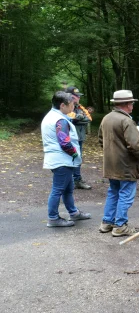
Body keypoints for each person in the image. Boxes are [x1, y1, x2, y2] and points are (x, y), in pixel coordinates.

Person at [41, 92, 92, 227]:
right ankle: (53, 218)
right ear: (62, 105)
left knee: (68, 188)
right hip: (62, 160)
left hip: (59, 159)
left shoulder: (52, 116)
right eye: (71, 105)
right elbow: (64, 142)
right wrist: (76, 155)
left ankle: (74, 213)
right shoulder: (60, 120)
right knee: (58, 189)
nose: (73, 108)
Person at [98, 90, 139, 237]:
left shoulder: (106, 118)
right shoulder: (126, 121)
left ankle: (107, 223)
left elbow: (101, 140)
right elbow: (134, 145)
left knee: (113, 192)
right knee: (126, 194)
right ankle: (120, 226)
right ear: (125, 104)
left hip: (110, 164)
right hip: (126, 166)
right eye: (131, 103)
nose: (132, 105)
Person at [65, 86, 92, 190]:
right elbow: (68, 117)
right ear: (70, 97)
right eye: (76, 96)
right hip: (68, 138)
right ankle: (69, 181)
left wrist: (77, 118)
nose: (78, 98)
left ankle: (77, 180)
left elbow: (88, 118)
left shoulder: (80, 107)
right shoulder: (64, 106)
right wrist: (77, 118)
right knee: (68, 159)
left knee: (78, 159)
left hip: (79, 138)